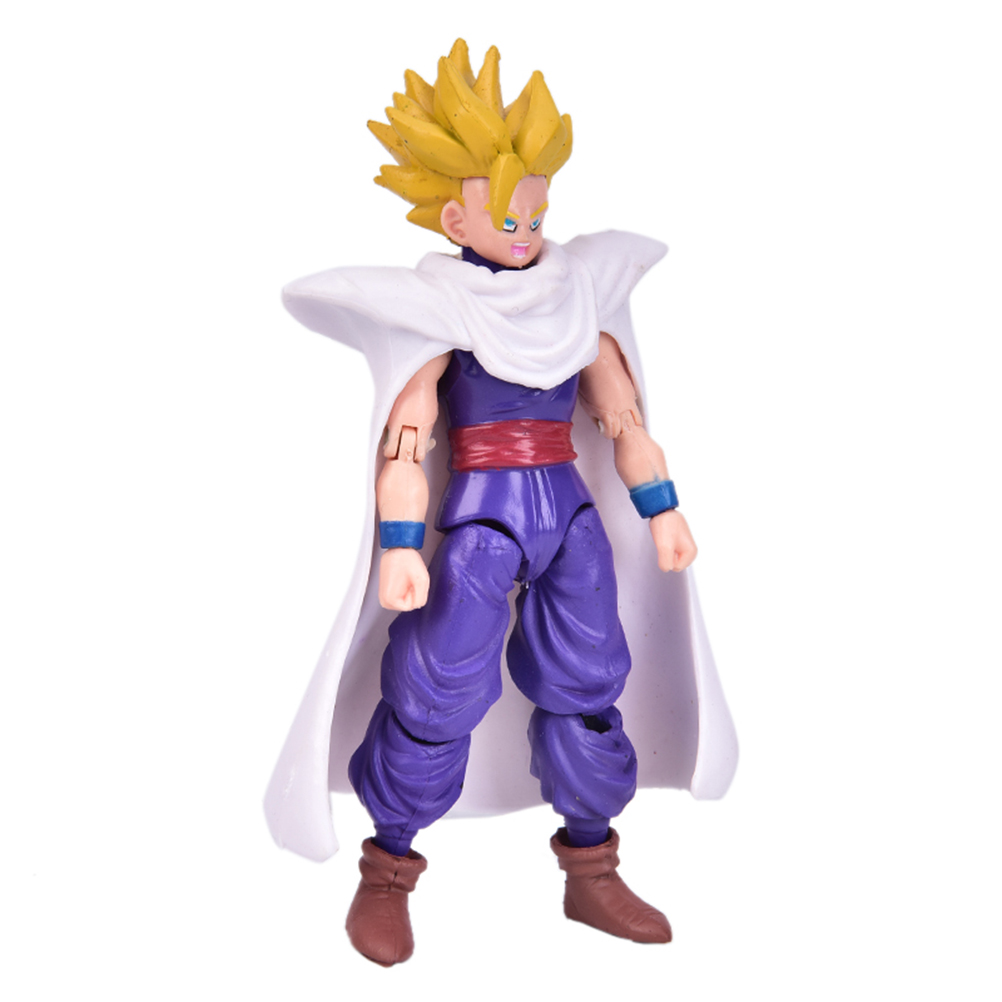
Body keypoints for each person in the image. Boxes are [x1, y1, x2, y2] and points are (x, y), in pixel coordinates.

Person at [266, 39, 737, 967]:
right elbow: (407, 442)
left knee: (590, 685)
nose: (526, 230)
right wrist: (400, 544)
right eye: (506, 214)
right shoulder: (441, 311)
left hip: (570, 516)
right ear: (454, 217)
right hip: (481, 524)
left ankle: (592, 868)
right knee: (435, 690)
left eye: (536, 210)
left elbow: (623, 418)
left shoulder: (577, 297)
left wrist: (663, 508)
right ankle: (388, 869)